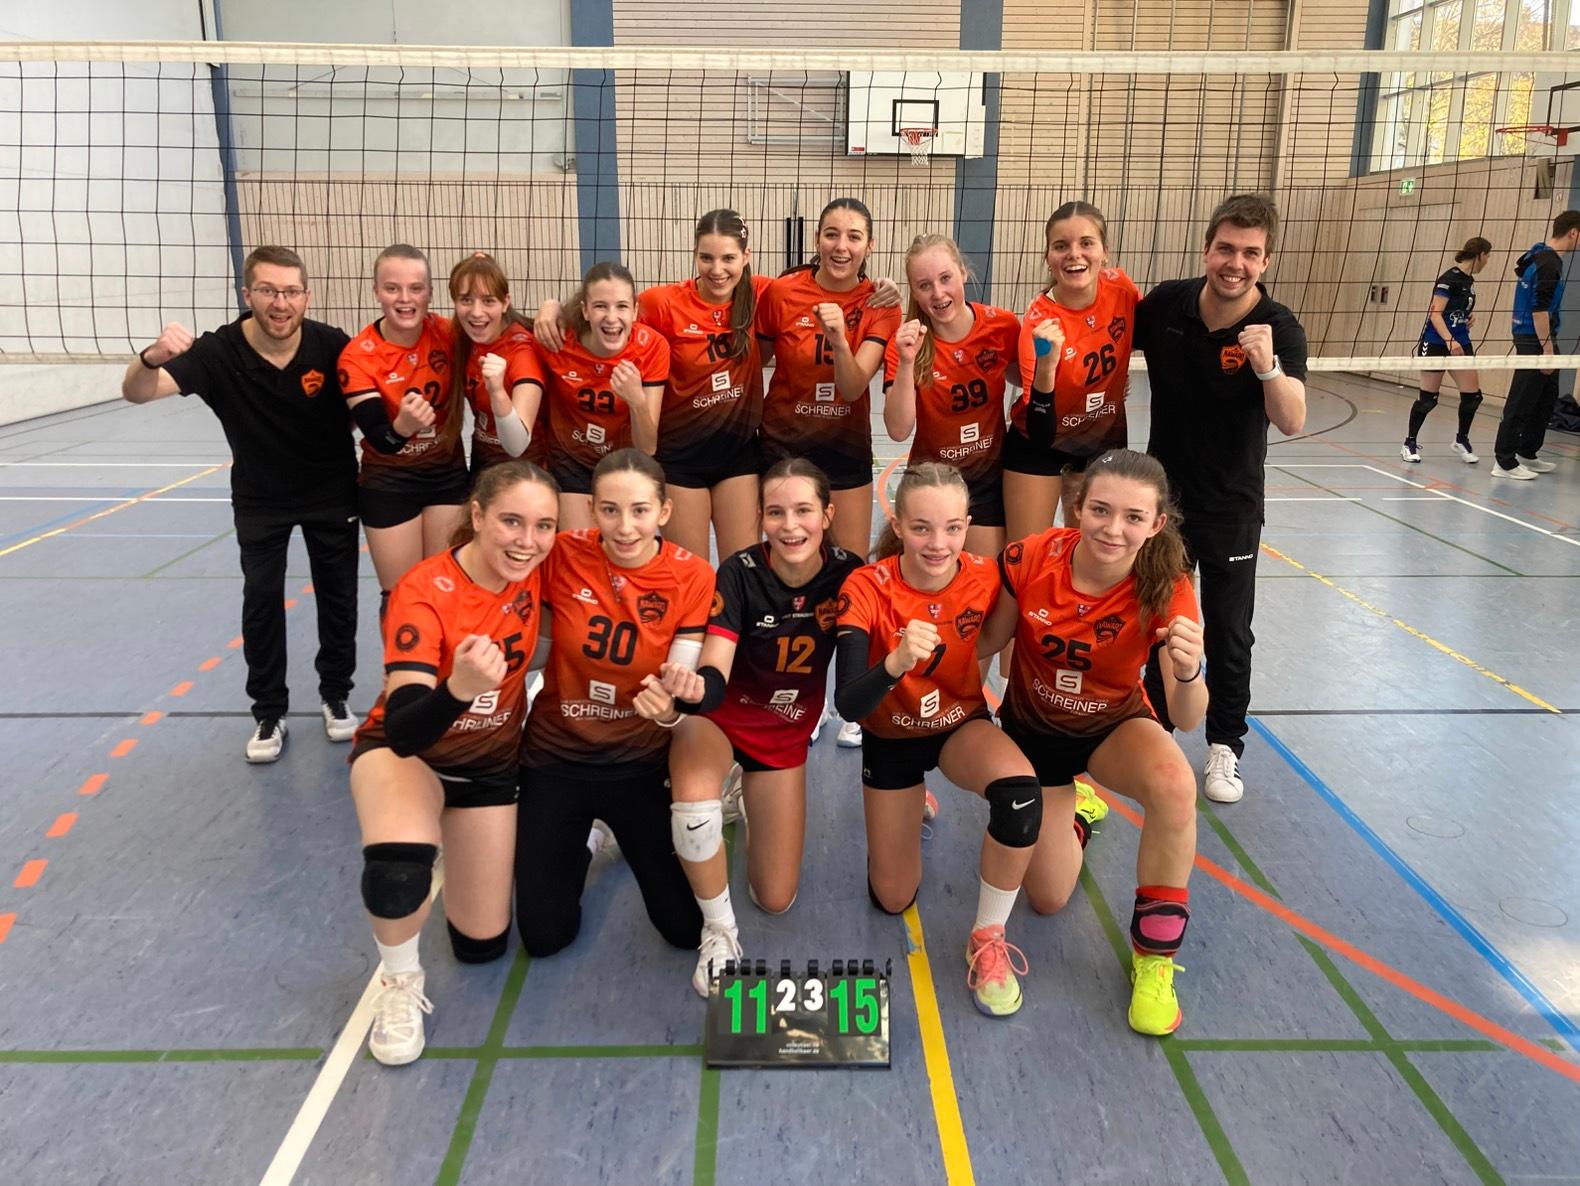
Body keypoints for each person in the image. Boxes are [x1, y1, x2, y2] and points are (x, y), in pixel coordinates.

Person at [977, 449, 1205, 1036]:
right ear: (1076, 506)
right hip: (1035, 740)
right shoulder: (1031, 558)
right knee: (1049, 898)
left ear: (1156, 524)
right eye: (1101, 510)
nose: (1113, 528)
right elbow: (985, 643)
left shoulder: (1167, 585)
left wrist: (1188, 671)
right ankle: (1076, 812)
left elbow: (1188, 716)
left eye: (1133, 517)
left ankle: (1155, 962)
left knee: (1175, 784)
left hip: (1112, 728)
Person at [347, 460, 560, 1065]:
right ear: (477, 515)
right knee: (398, 869)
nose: (527, 541)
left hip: (488, 766)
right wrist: (458, 688)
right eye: (511, 522)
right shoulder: (424, 590)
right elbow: (405, 727)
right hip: (407, 754)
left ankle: (445, 832)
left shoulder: (540, 569)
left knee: (482, 945)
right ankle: (398, 982)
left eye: (543, 526)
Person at [122, 245, 360, 763]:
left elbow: (363, 405)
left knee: (339, 596)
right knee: (261, 599)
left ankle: (336, 694)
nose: (281, 303)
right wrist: (150, 358)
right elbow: (138, 392)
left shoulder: (333, 346)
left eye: (291, 292)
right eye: (269, 291)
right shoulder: (218, 352)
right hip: (260, 497)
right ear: (247, 293)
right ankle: (269, 712)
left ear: (307, 296)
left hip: (331, 491)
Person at [834, 463, 1044, 1018]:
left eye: (952, 528)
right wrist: (895, 663)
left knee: (1021, 794)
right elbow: (848, 704)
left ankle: (987, 936)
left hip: (958, 726)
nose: (938, 543)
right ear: (897, 525)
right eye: (922, 527)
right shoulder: (866, 586)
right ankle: (910, 802)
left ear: (968, 525)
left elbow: (1001, 630)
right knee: (892, 898)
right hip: (890, 738)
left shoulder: (984, 576)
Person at [656, 458, 861, 996]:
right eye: (775, 512)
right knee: (694, 809)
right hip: (724, 720)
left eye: (803, 511)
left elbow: (860, 678)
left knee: (776, 897)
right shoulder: (739, 571)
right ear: (760, 517)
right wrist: (694, 692)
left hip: (784, 732)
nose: (790, 526)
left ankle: (746, 792)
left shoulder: (849, 573)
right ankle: (719, 930)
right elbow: (716, 668)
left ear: (827, 515)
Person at [1134, 193, 1307, 805]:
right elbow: (1099, 327)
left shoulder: (1279, 326)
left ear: (1266, 260)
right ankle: (1152, 731)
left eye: (1251, 253)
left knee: (1229, 632)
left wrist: (1267, 368)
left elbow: (1293, 420)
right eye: (1226, 249)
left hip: (1232, 506)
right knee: (1160, 622)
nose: (1236, 263)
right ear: (1207, 248)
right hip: (1165, 506)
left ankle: (1224, 746)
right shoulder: (1166, 305)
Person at [515, 448, 714, 959]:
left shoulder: (692, 575)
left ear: (664, 511)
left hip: (637, 761)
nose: (625, 527)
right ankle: (584, 839)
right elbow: (532, 638)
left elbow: (677, 683)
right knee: (545, 937)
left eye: (640, 510)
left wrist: (669, 708)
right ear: (591, 510)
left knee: (684, 930)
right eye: (609, 510)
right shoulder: (561, 554)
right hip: (555, 756)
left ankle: (609, 827)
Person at [538, 210, 769, 560]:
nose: (717, 269)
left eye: (728, 258)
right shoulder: (662, 303)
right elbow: (609, 312)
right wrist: (551, 307)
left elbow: (811, 291)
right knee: (689, 571)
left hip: (738, 455)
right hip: (679, 458)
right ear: (695, 255)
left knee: (744, 569)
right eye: (706, 258)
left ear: (746, 257)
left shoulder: (762, 294)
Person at [757, 197, 903, 559]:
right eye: (831, 234)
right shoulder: (782, 292)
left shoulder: (881, 304)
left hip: (844, 447)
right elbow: (752, 363)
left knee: (850, 567)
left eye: (854, 237)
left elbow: (852, 388)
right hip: (783, 446)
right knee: (786, 561)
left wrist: (839, 339)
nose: (841, 246)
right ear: (817, 238)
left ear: (869, 245)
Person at [339, 244, 467, 627]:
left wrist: (549, 311)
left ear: (430, 292)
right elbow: (381, 440)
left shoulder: (448, 333)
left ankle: (444, 665)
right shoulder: (358, 356)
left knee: (445, 588)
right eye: (392, 288)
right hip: (389, 482)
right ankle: (402, 665)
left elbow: (499, 325)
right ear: (376, 291)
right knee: (401, 594)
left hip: (446, 477)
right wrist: (403, 427)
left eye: (416, 288)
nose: (405, 299)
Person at [1005, 201, 1138, 541]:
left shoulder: (1122, 289)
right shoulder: (1039, 325)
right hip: (1039, 441)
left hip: (1102, 439)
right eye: (1061, 246)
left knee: (1096, 553)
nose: (1074, 254)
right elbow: (1041, 427)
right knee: (1026, 554)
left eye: (1086, 243)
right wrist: (1048, 366)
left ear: (1105, 252)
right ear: (1048, 257)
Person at [883, 233, 1020, 560]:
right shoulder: (907, 343)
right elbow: (898, 430)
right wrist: (906, 362)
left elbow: (1028, 378)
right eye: (924, 285)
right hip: (931, 482)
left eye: (945, 278)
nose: (938, 293)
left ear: (963, 272)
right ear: (914, 291)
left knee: (985, 578)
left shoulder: (1001, 326)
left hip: (986, 480)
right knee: (931, 574)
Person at [534, 263, 669, 530]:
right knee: (580, 546)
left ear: (634, 311)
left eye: (621, 306)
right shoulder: (557, 341)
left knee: (622, 540)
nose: (611, 317)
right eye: (600, 306)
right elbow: (509, 329)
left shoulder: (652, 348)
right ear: (585, 310)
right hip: (571, 462)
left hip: (624, 464)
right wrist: (549, 306)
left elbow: (647, 448)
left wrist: (636, 401)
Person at [1491, 210, 1580, 480]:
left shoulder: (1539, 253)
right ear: (1573, 232)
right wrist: (1547, 349)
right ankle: (1504, 461)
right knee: (1522, 397)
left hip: (1541, 335)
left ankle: (1527, 452)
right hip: (1534, 337)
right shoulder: (1548, 262)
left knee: (1546, 396)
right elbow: (1539, 310)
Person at [448, 253, 548, 478]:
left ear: (505, 303)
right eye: (466, 300)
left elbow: (517, 445)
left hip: (527, 472)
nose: (476, 312)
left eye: (488, 301)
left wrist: (497, 392)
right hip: (482, 467)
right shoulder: (460, 338)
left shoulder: (522, 352)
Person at [1402, 237, 1492, 465]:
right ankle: (1409, 443)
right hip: (1436, 343)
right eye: (1488, 256)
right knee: (1428, 400)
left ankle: (1461, 440)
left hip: (1460, 341)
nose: (1488, 261)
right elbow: (1435, 314)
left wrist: (1467, 317)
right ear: (1480, 254)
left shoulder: (1469, 280)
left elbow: (1455, 310)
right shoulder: (1448, 279)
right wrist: (1450, 340)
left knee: (1473, 397)